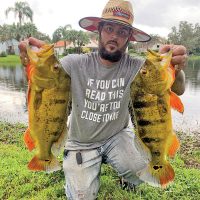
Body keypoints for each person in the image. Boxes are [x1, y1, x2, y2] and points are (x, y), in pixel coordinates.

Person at [19, 0, 187, 199]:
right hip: (81, 143)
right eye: (109, 28)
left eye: (122, 32)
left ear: (129, 38)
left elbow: (178, 89)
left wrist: (177, 68)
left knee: (142, 169)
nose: (114, 36)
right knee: (82, 196)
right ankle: (77, 175)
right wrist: (31, 63)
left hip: (117, 137)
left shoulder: (137, 67)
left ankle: (125, 175)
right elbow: (45, 83)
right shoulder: (74, 63)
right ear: (98, 30)